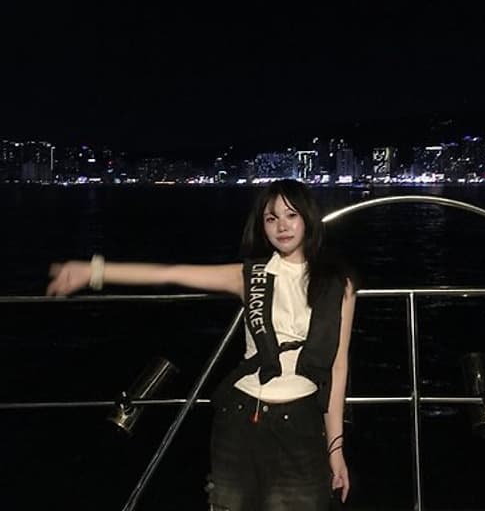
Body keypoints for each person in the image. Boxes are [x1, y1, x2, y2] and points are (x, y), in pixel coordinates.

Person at [47, 179, 357, 510]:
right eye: (271, 218)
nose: (282, 226)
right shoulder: (249, 275)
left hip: (301, 423)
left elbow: (337, 369)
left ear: (308, 218)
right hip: (241, 418)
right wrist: (94, 271)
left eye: (291, 215)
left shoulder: (339, 285)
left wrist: (335, 449)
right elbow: (171, 273)